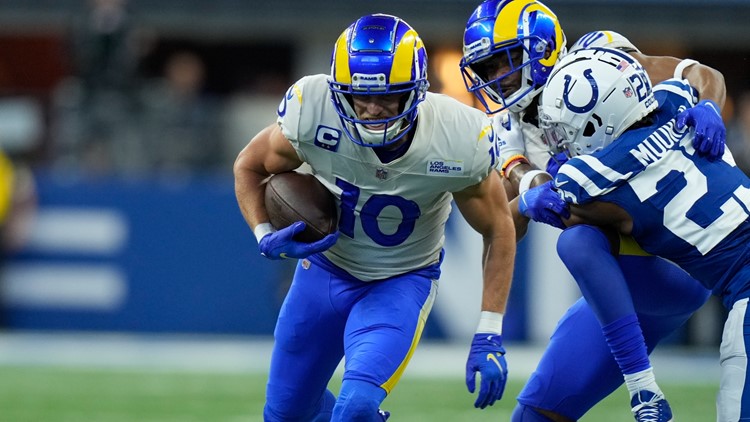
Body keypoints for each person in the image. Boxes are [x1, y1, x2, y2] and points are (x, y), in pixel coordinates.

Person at [233, 13, 517, 421]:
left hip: (401, 281)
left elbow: (498, 227)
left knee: (357, 408)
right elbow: (249, 165)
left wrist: (489, 328)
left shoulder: (457, 136)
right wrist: (263, 232)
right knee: (284, 414)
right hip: (325, 273)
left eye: (387, 96)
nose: (371, 109)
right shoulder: (312, 111)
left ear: (416, 92)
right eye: (359, 96)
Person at [459, 1, 726, 420]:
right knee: (536, 414)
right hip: (622, 286)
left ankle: (644, 392)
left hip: (680, 257)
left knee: (579, 241)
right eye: (487, 69)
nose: (496, 79)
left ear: (542, 49)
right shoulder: (510, 130)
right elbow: (509, 220)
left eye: (504, 62)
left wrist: (708, 104)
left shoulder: (598, 56)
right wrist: (529, 196)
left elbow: (697, 74)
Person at [524, 45, 750, 422]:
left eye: (565, 127)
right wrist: (710, 105)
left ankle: (642, 387)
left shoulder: (595, 175)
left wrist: (532, 191)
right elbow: (703, 75)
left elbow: (563, 212)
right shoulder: (672, 101)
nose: (561, 138)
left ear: (597, 121)